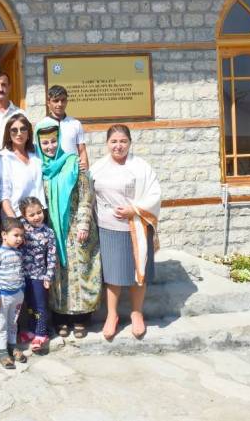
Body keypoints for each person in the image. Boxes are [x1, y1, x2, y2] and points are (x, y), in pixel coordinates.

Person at [91, 124, 161, 340]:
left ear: (130, 143)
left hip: (137, 227)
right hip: (109, 228)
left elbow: (155, 194)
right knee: (113, 275)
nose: (118, 146)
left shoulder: (141, 167)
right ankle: (112, 315)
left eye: (123, 141)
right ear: (107, 143)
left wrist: (134, 209)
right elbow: (89, 195)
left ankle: (136, 313)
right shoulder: (98, 167)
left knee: (138, 274)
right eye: (114, 141)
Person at [35, 118, 102, 339]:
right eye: (45, 143)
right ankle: (61, 318)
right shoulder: (40, 169)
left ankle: (81, 319)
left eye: (53, 141)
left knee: (80, 270)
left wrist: (83, 222)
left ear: (60, 140)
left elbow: (86, 194)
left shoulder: (73, 162)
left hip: (76, 229)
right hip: (53, 230)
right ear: (39, 144)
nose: (50, 147)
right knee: (57, 274)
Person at [17, 196, 57, 353]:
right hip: (24, 275)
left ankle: (41, 334)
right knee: (30, 305)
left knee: (40, 306)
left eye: (39, 212)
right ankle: (32, 330)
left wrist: (48, 276)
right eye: (31, 215)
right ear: (24, 216)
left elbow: (52, 256)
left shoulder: (49, 232)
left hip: (40, 276)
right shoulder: (22, 230)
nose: (36, 217)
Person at [0, 217, 27, 369]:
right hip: (2, 297)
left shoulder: (18, 253)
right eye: (16, 235)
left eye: (21, 236)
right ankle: (3, 351)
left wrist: (22, 289)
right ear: (4, 235)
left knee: (13, 323)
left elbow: (20, 272)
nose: (19, 239)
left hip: (17, 295)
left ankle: (12, 345)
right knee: (1, 324)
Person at [0, 114, 46, 218]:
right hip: (18, 216)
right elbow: (3, 194)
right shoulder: (4, 158)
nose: (19, 134)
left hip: (40, 215)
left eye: (23, 129)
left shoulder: (37, 153)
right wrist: (14, 222)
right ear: (8, 134)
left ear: (28, 132)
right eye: (14, 130)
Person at [45, 85, 89, 171]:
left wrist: (85, 170)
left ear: (67, 101)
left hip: (73, 171)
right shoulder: (43, 125)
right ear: (48, 103)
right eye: (56, 101)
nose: (60, 104)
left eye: (63, 100)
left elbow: (82, 150)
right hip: (52, 172)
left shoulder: (75, 124)